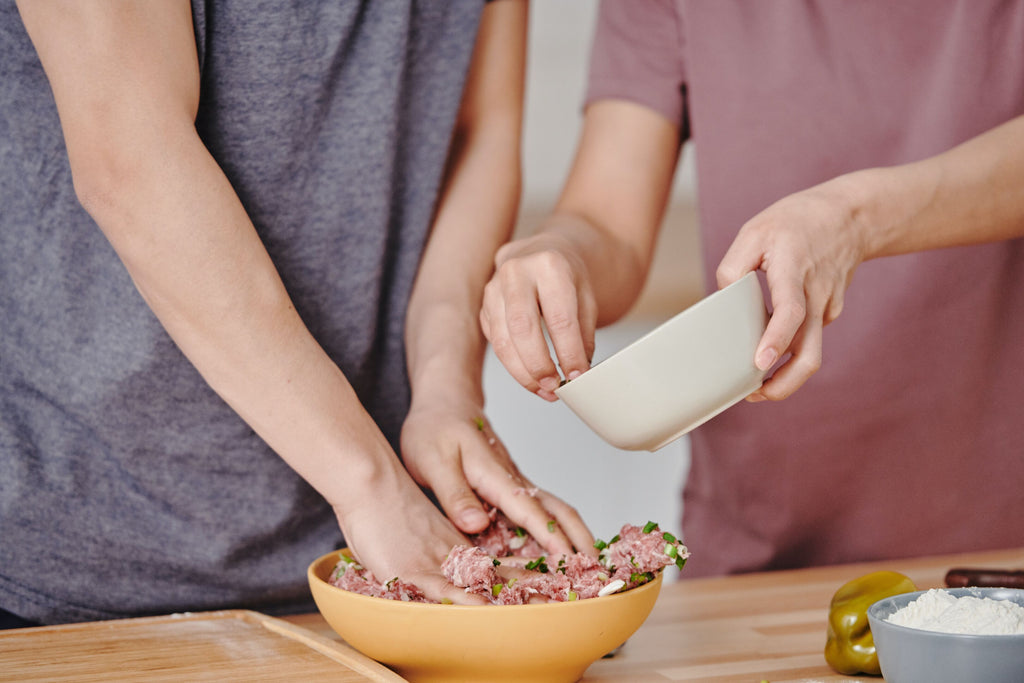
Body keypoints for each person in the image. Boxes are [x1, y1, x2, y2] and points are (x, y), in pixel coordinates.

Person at [0, 0, 593, 628]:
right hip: (74, 554)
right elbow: (130, 155)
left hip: (368, 561)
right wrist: (367, 482)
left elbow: (479, 132)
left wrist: (444, 388)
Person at [480, 0, 1024, 577]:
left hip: (997, 541)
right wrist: (559, 254)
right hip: (757, 545)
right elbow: (609, 223)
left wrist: (856, 218)